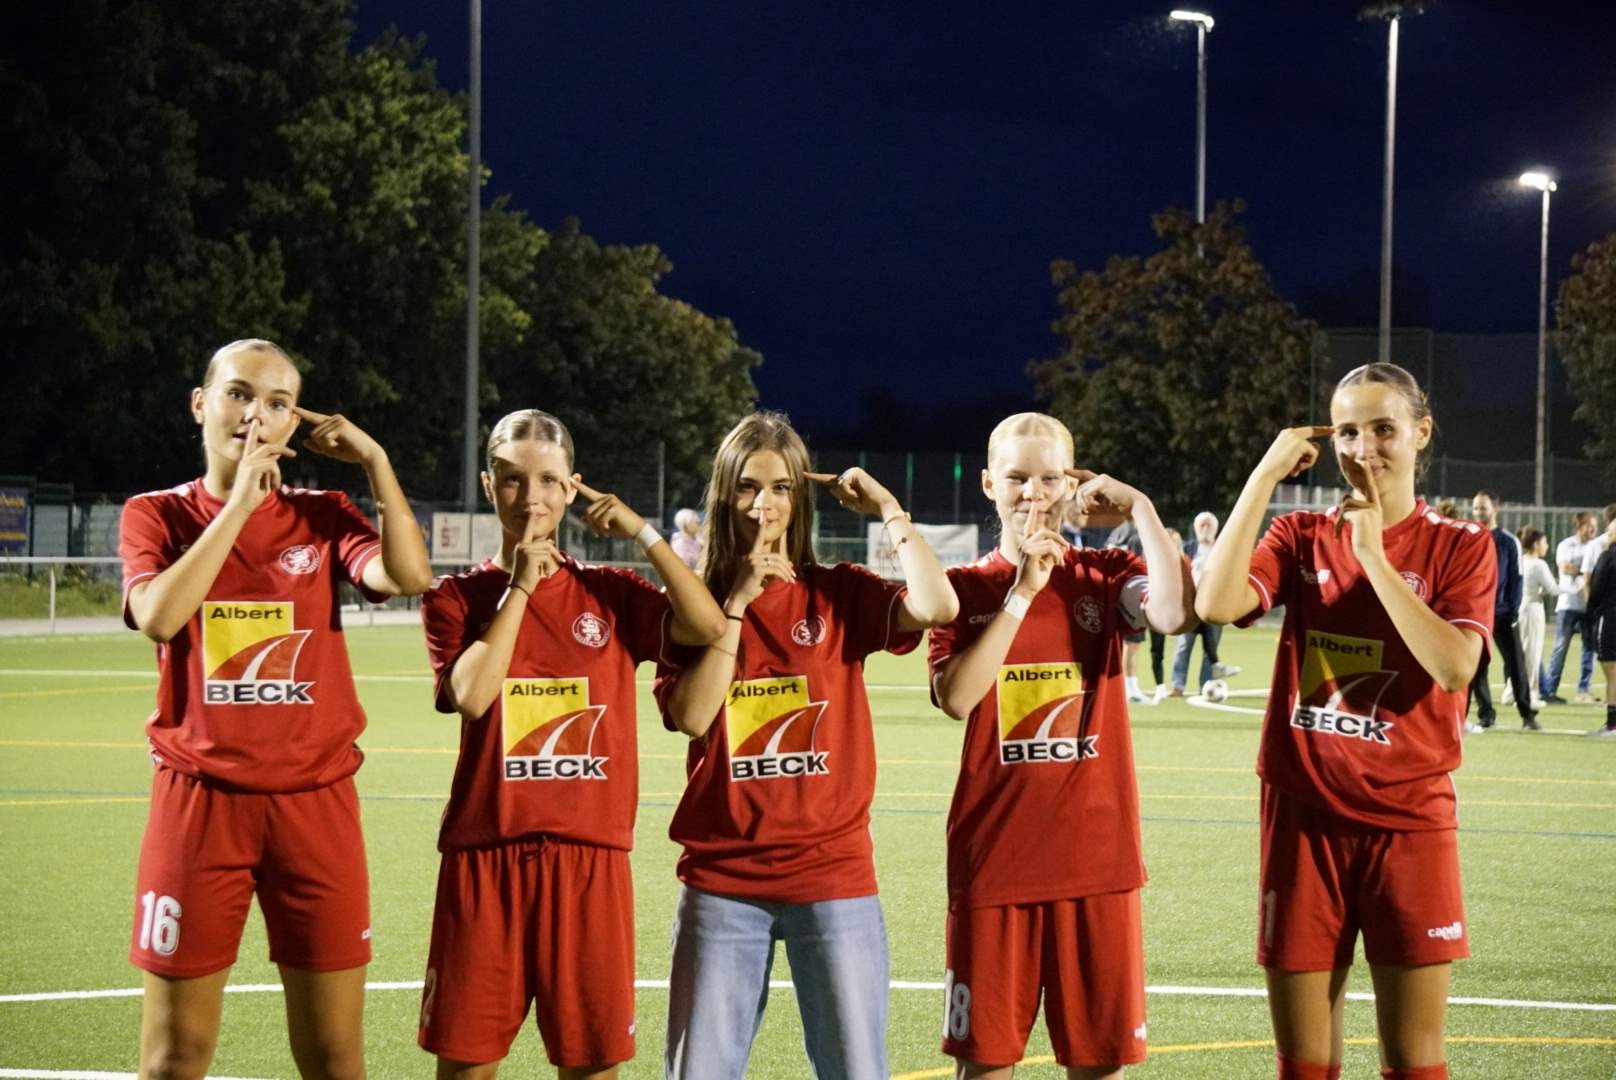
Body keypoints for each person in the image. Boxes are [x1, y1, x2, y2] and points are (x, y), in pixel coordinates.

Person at [119, 338, 433, 1080]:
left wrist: (375, 461)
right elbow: (159, 616)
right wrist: (238, 507)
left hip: (315, 804)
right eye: (238, 393)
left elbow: (407, 576)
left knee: (333, 1058)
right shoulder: (155, 513)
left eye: (278, 403)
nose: (255, 415)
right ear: (201, 404)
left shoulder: (324, 516)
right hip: (198, 804)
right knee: (173, 1059)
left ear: (295, 424)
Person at [1196, 362, 1495, 1080]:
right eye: (1348, 432)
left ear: (1421, 433)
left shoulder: (1461, 544)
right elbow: (1215, 604)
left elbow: (1456, 667)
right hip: (1303, 817)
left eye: (1384, 429)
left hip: (1410, 822)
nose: (1365, 448)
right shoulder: (1301, 534)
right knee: (1305, 1064)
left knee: (1414, 1060)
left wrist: (1373, 558)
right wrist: (1263, 478)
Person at [416, 410, 726, 1078]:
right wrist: (521, 585)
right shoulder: (455, 597)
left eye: (549, 481)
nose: (531, 498)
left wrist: (643, 532)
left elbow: (708, 626)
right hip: (484, 861)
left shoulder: (610, 594)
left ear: (572, 486)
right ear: (488, 485)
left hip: (590, 864)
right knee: (466, 1066)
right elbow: (472, 695)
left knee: (591, 1064)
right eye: (512, 479)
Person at [655, 411, 958, 1080]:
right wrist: (737, 603)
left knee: (856, 1071)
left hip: (833, 874)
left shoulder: (838, 593)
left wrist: (889, 508)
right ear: (723, 495)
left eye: (780, 488)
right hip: (722, 881)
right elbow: (695, 716)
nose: (762, 505)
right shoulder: (694, 606)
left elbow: (939, 607)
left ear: (799, 500)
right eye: (747, 486)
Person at [928, 413, 1193, 1080]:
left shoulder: (1106, 574)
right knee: (985, 1066)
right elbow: (957, 698)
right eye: (1017, 477)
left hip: (1097, 867)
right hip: (995, 868)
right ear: (988, 484)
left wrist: (1140, 507)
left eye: (1050, 478)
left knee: (1099, 1066)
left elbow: (1170, 614)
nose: (1033, 493)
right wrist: (1022, 594)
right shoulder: (960, 589)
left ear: (1072, 484)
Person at [1464, 492, 1538, 731]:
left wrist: (1513, 609)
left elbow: (1517, 577)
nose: (1478, 512)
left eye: (1483, 508)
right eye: (1476, 508)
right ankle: (1486, 714)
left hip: (1503, 614)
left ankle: (1527, 714)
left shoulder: (1508, 541)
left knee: (1516, 665)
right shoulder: (1468, 538)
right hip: (1477, 614)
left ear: (1495, 508)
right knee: (1476, 666)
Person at [1169, 511, 1241, 697]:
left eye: (1209, 525)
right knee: (1183, 646)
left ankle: (1206, 685)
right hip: (1189, 605)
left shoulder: (1223, 550)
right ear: (1196, 528)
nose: (1205, 528)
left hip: (1213, 605)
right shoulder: (1187, 548)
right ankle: (1177, 686)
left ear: (1216, 529)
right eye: (1202, 525)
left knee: (1210, 648)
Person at [1541, 511, 1598, 704]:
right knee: (1560, 648)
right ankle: (1550, 689)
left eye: (1594, 525)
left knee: (1589, 649)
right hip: (1568, 605)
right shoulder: (1566, 545)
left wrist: (1583, 573)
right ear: (1578, 526)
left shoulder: (1596, 546)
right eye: (1589, 525)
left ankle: (1583, 690)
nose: (1593, 529)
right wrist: (1586, 572)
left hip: (1589, 605)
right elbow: (1565, 567)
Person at [1513, 528, 1555, 710]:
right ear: (1536, 544)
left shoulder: (1521, 560)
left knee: (1521, 653)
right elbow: (1553, 589)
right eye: (1545, 542)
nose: (1547, 546)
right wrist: (1575, 586)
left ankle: (1512, 691)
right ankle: (1529, 694)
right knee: (1532, 653)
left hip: (1520, 608)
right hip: (1533, 609)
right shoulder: (1538, 564)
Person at [1584, 516, 1616, 735]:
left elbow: (1595, 589)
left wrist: (1591, 614)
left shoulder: (1607, 556)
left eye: (1610, 531)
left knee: (1611, 673)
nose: (1607, 534)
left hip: (1610, 617)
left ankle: (1612, 724)